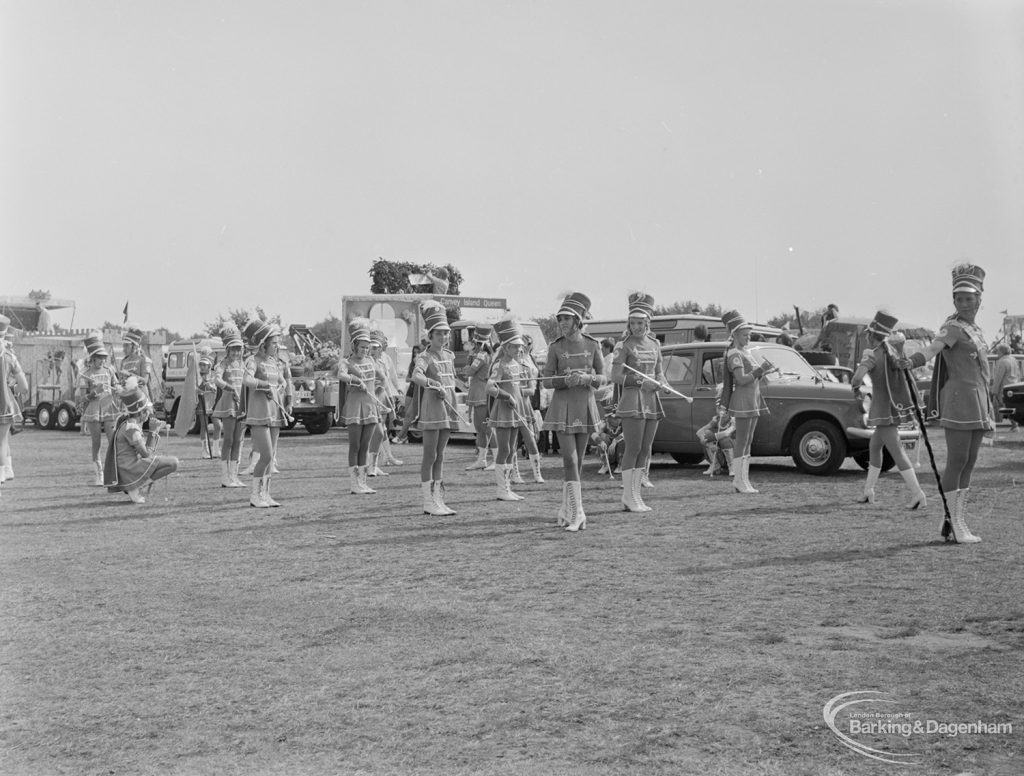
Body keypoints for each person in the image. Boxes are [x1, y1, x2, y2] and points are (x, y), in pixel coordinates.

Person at [907, 264, 992, 543]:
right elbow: (933, 349)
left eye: (969, 298)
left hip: (978, 398)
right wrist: (912, 361)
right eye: (959, 298)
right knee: (957, 461)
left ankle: (955, 522)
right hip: (959, 398)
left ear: (980, 298)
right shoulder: (953, 327)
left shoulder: (975, 329)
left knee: (969, 462)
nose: (964, 303)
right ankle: (954, 522)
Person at [542, 292, 606, 531]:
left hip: (585, 404)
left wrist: (588, 377)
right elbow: (546, 381)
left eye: (567, 318)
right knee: (569, 459)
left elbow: (603, 377)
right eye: (560, 319)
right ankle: (579, 513)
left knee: (577, 463)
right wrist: (564, 381)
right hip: (563, 407)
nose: (563, 323)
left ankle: (566, 509)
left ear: (578, 319)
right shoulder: (555, 347)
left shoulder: (592, 344)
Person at [850, 311, 926, 509]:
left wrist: (856, 387)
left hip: (883, 409)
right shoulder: (892, 353)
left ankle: (918, 493)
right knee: (875, 447)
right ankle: (868, 491)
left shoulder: (873, 355)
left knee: (897, 452)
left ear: (871, 336)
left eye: (868, 334)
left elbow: (857, 377)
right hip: (891, 408)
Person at [611, 292, 666, 513]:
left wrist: (660, 382)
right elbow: (614, 376)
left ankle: (636, 495)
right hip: (633, 399)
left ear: (648, 322)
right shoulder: (623, 345)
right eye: (632, 323)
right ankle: (628, 496)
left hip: (652, 400)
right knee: (632, 448)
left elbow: (660, 372)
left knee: (645, 448)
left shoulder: (654, 344)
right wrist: (637, 381)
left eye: (640, 322)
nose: (636, 327)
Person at [410, 300, 461, 516]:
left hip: (448, 406)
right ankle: (428, 502)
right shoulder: (424, 356)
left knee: (441, 456)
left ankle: (439, 499)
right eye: (439, 334)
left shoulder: (450, 355)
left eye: (446, 333)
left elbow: (453, 381)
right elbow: (416, 376)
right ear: (430, 336)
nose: (443, 338)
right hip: (432, 407)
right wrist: (433, 384)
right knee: (429, 456)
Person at [720, 311, 773, 494]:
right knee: (742, 440)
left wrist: (762, 371)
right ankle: (738, 480)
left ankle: (744, 479)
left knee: (748, 440)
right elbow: (741, 379)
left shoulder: (745, 352)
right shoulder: (734, 353)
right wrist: (760, 370)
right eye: (745, 334)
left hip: (753, 399)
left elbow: (751, 377)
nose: (748, 337)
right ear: (734, 335)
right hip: (743, 400)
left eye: (749, 334)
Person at [103, 377, 178, 503]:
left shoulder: (131, 424)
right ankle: (136, 487)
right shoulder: (131, 427)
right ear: (141, 413)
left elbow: (146, 454)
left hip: (131, 467)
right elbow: (146, 454)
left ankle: (138, 486)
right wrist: (153, 432)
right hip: (130, 469)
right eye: (147, 412)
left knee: (169, 463)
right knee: (173, 463)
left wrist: (154, 432)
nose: (149, 415)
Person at [241, 319, 290, 508]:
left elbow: (280, 380)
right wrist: (264, 385)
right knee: (266, 455)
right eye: (274, 343)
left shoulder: (273, 362)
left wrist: (282, 384)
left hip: (274, 412)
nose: (277, 346)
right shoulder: (252, 361)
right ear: (264, 344)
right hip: (259, 412)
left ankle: (266, 494)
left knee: (272, 456)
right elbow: (247, 380)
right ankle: (255, 495)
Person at [338, 319, 385, 494]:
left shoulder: (372, 361)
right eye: (362, 346)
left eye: (367, 347)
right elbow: (341, 375)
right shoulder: (347, 362)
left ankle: (363, 482)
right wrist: (356, 380)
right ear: (354, 346)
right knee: (355, 446)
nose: (365, 350)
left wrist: (379, 391)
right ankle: (354, 483)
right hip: (355, 407)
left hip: (370, 407)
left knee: (365, 446)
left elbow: (383, 378)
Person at [77, 332, 120, 486]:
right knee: (97, 442)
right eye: (99, 357)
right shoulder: (85, 374)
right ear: (92, 358)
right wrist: (94, 392)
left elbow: (116, 385)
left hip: (109, 407)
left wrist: (119, 389)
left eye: (103, 357)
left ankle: (113, 472)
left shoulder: (109, 370)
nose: (102, 360)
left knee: (112, 440)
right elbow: (83, 398)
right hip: (93, 410)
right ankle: (99, 474)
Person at [211, 325, 247, 488]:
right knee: (229, 439)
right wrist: (229, 388)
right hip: (229, 403)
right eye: (233, 349)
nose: (236, 353)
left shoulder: (243, 365)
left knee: (239, 440)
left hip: (242, 404)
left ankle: (234, 475)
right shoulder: (222, 364)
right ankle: (225, 476)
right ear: (227, 350)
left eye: (238, 349)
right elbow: (217, 379)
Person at [1, 315, 29, 489]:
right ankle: (5, 472)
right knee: (2, 441)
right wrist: (10, 389)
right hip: (4, 404)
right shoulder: (10, 356)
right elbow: (24, 388)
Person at [463, 324, 496, 471]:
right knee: (480, 428)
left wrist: (469, 361)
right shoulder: (483, 355)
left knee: (487, 428)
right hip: (478, 393)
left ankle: (496, 458)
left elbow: (469, 371)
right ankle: (481, 459)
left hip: (482, 394)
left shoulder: (482, 355)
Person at [695, 400, 735, 477]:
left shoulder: (733, 419)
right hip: (719, 450)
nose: (722, 411)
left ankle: (732, 467)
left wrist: (711, 438)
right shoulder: (716, 419)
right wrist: (706, 442)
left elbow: (726, 433)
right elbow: (700, 432)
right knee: (706, 433)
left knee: (724, 439)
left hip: (735, 449)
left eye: (724, 409)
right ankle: (715, 465)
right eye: (719, 408)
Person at [197, 350, 221, 458]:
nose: (202, 367)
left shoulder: (214, 375)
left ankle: (216, 449)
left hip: (214, 403)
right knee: (204, 426)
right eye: (201, 364)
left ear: (209, 366)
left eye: (204, 365)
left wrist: (212, 386)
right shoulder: (197, 376)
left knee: (218, 425)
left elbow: (217, 387)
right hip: (203, 402)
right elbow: (196, 389)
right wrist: (203, 385)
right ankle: (204, 450)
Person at [395, 345, 421, 443]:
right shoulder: (412, 363)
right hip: (411, 388)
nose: (416, 354)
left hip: (417, 389)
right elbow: (408, 378)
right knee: (407, 413)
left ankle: (401, 435)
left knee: (410, 414)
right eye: (414, 352)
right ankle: (403, 436)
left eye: (418, 352)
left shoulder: (421, 362)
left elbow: (417, 377)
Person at [990, 343, 1019, 430]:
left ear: (1002, 351)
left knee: (1002, 406)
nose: (997, 353)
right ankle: (1014, 425)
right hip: (1013, 386)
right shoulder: (1014, 360)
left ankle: (1014, 425)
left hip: (1004, 387)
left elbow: (998, 377)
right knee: (1008, 406)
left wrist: (994, 390)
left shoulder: (1002, 361)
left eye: (998, 351)